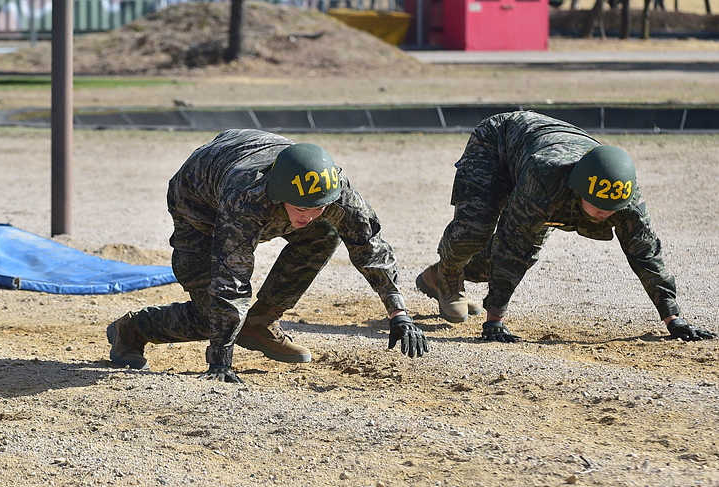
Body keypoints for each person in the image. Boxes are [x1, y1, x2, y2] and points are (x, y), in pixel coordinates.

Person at [107, 129, 428, 383]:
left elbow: (368, 244)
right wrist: (220, 359)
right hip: (198, 209)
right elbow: (231, 274)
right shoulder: (246, 197)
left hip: (249, 166)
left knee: (326, 232)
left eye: (319, 208)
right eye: (302, 209)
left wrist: (398, 312)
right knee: (213, 318)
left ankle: (259, 323)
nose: (311, 216)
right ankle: (133, 329)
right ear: (281, 197)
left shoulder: (332, 189)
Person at [417, 110, 716, 344]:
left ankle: (439, 273)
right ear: (579, 190)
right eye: (598, 205)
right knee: (476, 230)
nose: (605, 214)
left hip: (542, 159)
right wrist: (495, 319)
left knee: (517, 254)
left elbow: (646, 253)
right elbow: (512, 247)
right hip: (497, 144)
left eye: (611, 209)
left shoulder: (624, 198)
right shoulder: (545, 182)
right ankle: (449, 272)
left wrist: (673, 317)